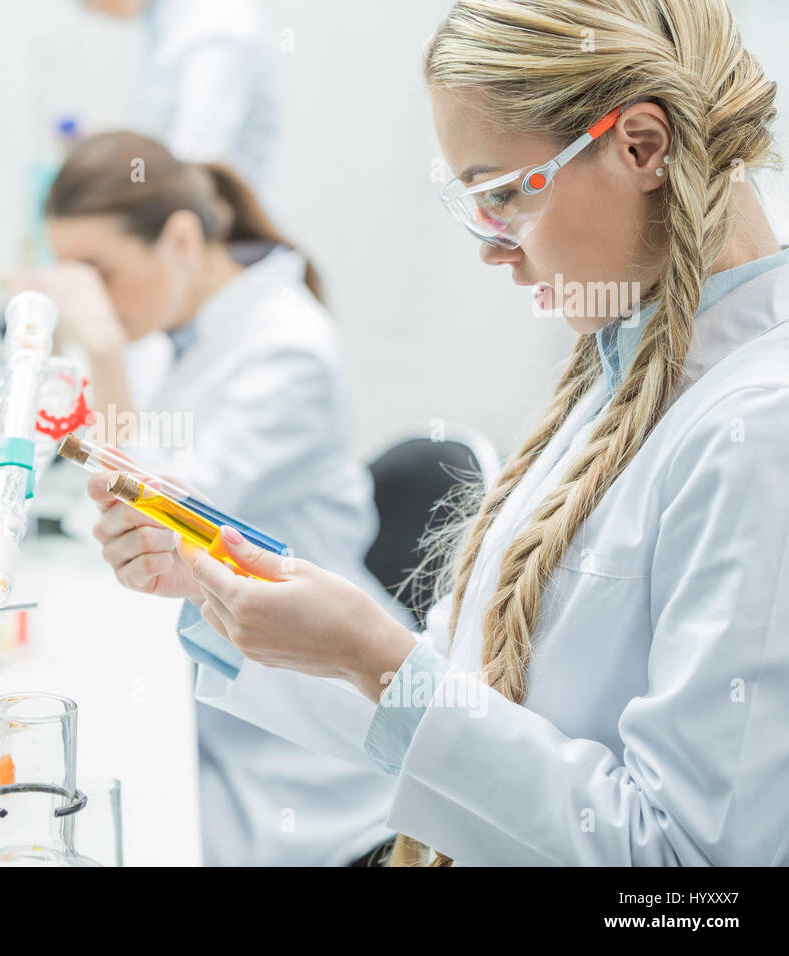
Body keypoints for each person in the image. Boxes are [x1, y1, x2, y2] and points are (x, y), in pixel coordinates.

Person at [91, 0, 789, 866]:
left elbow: (688, 876)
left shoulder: (759, 432)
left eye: (504, 194)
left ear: (642, 146)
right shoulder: (622, 368)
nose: (492, 249)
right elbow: (466, 708)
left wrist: (378, 660)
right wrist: (223, 592)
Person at [18, 130, 413, 866]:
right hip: (223, 675)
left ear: (179, 238)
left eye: (99, 272)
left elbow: (157, 511)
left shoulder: (288, 349)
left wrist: (101, 350)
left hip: (303, 738)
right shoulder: (180, 326)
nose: (89, 300)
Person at [80, 0, 277, 194]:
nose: (88, 7)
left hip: (213, 209)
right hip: (185, 200)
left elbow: (198, 152)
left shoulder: (216, 24)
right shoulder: (165, 19)